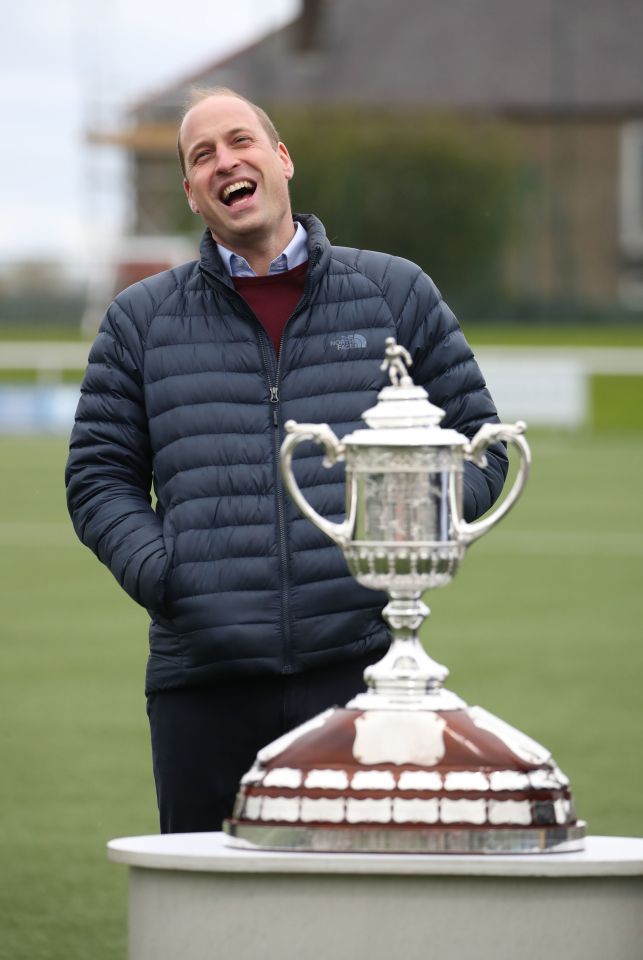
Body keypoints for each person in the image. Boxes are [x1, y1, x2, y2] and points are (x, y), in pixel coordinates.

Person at [65, 87, 508, 833]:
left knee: (355, 918)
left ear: (280, 159)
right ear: (191, 195)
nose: (223, 162)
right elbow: (98, 476)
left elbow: (480, 446)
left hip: (361, 674)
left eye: (239, 141)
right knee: (206, 922)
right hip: (200, 680)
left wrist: (399, 536)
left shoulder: (394, 292)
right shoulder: (139, 319)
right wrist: (169, 576)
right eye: (201, 155)